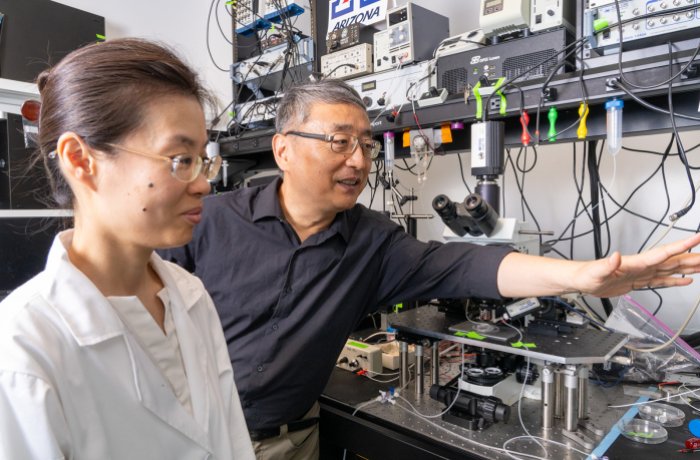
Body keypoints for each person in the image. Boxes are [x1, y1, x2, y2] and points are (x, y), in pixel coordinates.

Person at [160, 79, 700, 460]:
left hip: (286, 444)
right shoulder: (207, 220)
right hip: (182, 434)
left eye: (366, 145)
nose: (358, 160)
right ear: (283, 150)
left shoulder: (372, 241)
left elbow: (471, 265)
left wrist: (582, 275)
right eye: (338, 142)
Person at [0, 38, 255, 460]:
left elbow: (231, 443)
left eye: (202, 159)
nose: (204, 184)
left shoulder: (190, 296)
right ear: (80, 160)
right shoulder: (23, 347)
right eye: (179, 158)